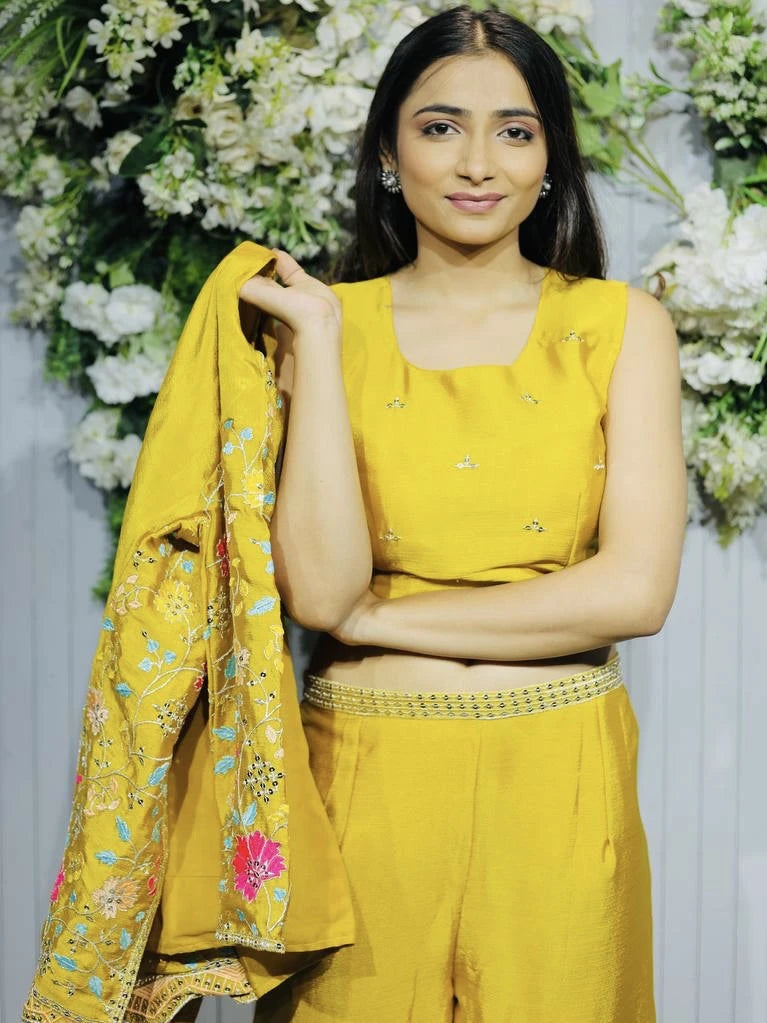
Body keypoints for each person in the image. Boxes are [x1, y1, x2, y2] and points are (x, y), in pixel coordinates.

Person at [237, 4, 687, 1020]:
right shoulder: (318, 320)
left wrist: (375, 622)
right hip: (363, 782)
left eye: (513, 130)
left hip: (558, 780)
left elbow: (632, 591)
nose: (477, 162)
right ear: (388, 154)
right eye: (439, 126)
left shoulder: (620, 327)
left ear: (549, 160)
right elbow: (319, 587)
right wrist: (314, 341)